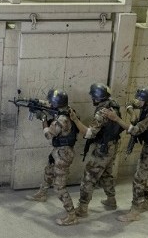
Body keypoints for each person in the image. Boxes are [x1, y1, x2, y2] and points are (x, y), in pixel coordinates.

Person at [104, 86, 148, 222]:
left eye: (141, 99)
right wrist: (132, 112)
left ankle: (135, 211)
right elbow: (131, 104)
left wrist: (116, 119)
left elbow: (135, 130)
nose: (138, 101)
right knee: (141, 176)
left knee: (138, 180)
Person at [25, 89, 80, 226]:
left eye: (51, 101)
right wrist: (37, 102)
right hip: (59, 152)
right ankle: (42, 193)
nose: (49, 103)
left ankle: (71, 215)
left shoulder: (61, 120)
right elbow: (50, 105)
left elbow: (48, 135)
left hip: (63, 155)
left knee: (59, 187)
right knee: (48, 170)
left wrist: (43, 119)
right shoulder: (67, 109)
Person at [69, 83, 123, 218]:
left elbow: (88, 134)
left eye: (93, 96)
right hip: (113, 145)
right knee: (106, 174)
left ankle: (82, 208)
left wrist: (75, 120)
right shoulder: (114, 104)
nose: (92, 98)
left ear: (98, 97)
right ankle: (111, 200)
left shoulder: (101, 112)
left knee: (89, 177)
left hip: (103, 149)